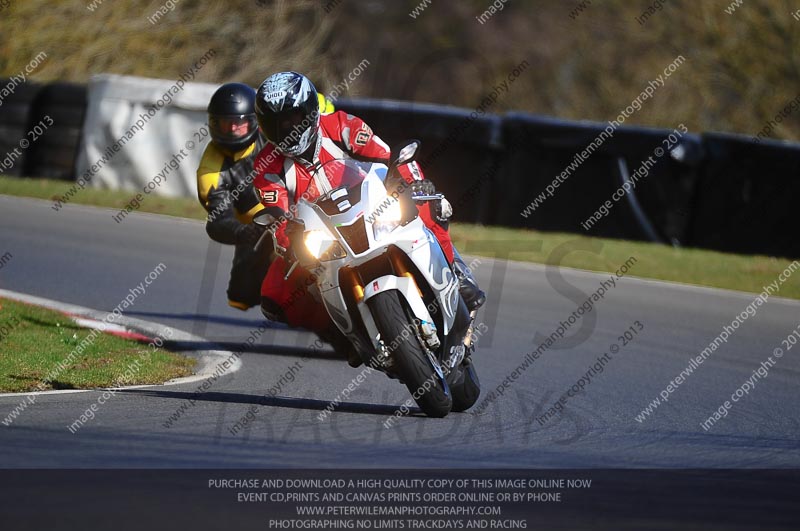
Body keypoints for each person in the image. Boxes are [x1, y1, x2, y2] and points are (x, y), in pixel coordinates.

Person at [251, 72, 484, 355]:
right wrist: (288, 240)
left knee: (424, 201)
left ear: (311, 110)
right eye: (276, 124)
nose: (287, 128)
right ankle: (345, 336)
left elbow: (388, 157)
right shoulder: (266, 168)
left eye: (293, 118)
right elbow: (277, 217)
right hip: (325, 236)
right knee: (274, 296)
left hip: (373, 208)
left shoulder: (340, 125)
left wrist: (410, 183)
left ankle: (454, 272)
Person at [196, 81, 338, 310]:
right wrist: (243, 232)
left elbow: (321, 108)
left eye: (239, 125)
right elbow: (217, 221)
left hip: (309, 197)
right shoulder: (211, 172)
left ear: (254, 122)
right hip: (262, 225)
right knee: (240, 297)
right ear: (213, 125)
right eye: (225, 124)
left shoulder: (274, 127)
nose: (232, 130)